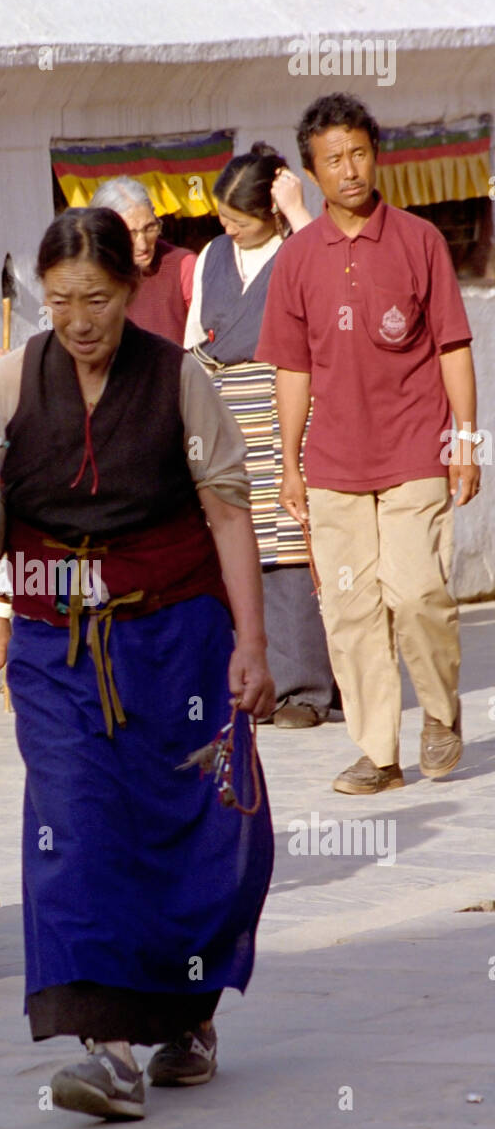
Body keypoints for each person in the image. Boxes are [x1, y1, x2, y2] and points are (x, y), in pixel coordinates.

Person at [0, 208, 275, 1122]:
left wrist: (253, 641)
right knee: (75, 822)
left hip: (176, 638)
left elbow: (229, 512)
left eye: (96, 298)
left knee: (188, 828)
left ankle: (184, 1017)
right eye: (59, 302)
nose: (78, 320)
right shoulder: (11, 382)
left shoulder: (178, 381)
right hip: (56, 645)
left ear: (130, 290)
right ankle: (107, 1048)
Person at [255, 93, 480, 794]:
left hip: (415, 449)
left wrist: (466, 441)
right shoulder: (295, 260)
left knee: (416, 595)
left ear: (375, 155)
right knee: (350, 610)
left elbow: (453, 347)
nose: (348, 170)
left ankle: (441, 714)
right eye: (332, 160)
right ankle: (378, 753)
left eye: (357, 153)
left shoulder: (420, 242)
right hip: (332, 465)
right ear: (312, 173)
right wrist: (288, 464)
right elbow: (291, 368)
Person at [184, 142, 336, 729]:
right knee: (232, 537)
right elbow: (197, 334)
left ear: (270, 212)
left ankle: (304, 688)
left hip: (282, 404)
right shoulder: (212, 255)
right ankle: (249, 683)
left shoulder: (302, 248)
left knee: (286, 542)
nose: (228, 229)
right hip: (222, 407)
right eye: (223, 217)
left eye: (239, 220)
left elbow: (326, 293)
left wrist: (299, 212)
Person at [89, 176, 196, 344]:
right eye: (130, 233)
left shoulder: (183, 266)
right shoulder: (87, 274)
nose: (143, 245)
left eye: (149, 228)